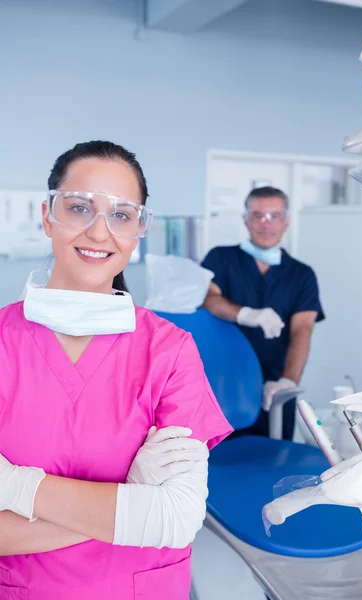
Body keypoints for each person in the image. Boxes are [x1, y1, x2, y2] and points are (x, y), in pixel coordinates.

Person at [0, 141, 232, 599]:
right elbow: (153, 515)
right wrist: (130, 497)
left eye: (121, 215)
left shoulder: (170, 351)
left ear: (138, 231)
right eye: (79, 207)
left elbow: (176, 518)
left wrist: (12, 486)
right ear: (48, 216)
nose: (99, 232)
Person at [201, 186, 324, 440]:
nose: (265, 224)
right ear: (245, 220)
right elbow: (209, 298)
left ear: (286, 221)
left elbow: (303, 330)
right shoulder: (221, 258)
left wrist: (287, 382)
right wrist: (245, 314)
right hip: (221, 383)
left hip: (274, 387)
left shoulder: (301, 274)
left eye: (274, 215)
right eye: (257, 215)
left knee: (275, 460)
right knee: (217, 463)